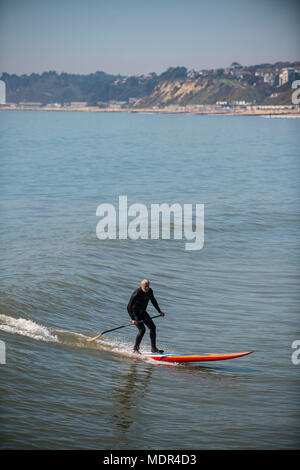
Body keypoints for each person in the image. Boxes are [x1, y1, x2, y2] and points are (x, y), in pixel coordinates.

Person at [127, 279, 165, 354]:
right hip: (136, 314)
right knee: (142, 330)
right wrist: (133, 319)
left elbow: (153, 301)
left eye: (148, 286)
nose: (147, 288)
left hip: (143, 313)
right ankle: (136, 349)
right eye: (145, 287)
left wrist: (159, 311)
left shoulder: (150, 291)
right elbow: (128, 306)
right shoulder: (137, 293)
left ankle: (153, 348)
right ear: (141, 286)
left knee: (153, 327)